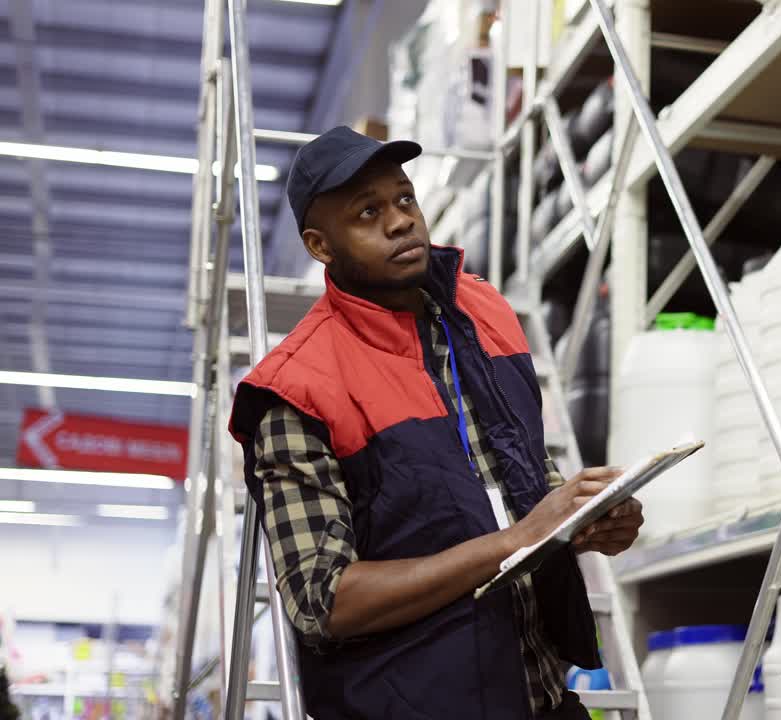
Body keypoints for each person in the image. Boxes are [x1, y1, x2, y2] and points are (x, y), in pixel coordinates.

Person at [228, 126, 644, 720]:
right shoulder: (297, 388)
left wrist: (580, 518)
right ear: (322, 246)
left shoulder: (485, 312)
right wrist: (517, 540)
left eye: (404, 199)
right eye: (367, 212)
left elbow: (522, 478)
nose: (400, 222)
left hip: (547, 700)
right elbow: (322, 600)